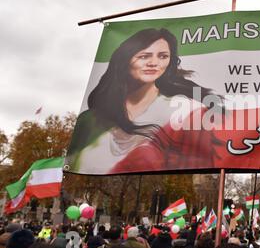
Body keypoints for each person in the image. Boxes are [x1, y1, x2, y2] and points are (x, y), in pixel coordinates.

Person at [66, 28, 221, 174]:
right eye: (144, 56)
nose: (153, 63)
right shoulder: (89, 121)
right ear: (125, 60)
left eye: (163, 56)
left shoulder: (184, 111)